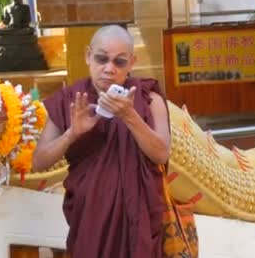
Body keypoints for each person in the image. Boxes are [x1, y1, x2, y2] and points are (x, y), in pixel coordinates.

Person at [32, 25, 172, 257]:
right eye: (101, 59)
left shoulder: (148, 98)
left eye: (119, 62)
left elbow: (161, 153)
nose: (109, 69)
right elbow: (39, 162)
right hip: (89, 222)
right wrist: (72, 134)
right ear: (88, 56)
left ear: (132, 62)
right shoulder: (71, 99)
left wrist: (129, 116)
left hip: (137, 224)